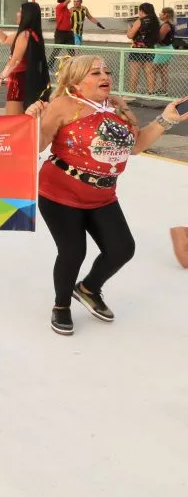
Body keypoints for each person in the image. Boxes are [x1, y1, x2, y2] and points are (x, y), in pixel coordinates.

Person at [26, 54, 187, 335]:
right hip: (60, 192)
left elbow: (135, 146)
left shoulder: (118, 108)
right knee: (73, 251)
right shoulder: (64, 105)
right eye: (94, 73)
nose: (105, 77)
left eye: (107, 71)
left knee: (122, 249)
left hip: (103, 194)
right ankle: (61, 305)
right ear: (75, 80)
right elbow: (38, 146)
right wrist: (32, 121)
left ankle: (88, 288)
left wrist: (165, 119)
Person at [0, 2, 51, 114]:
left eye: (20, 11)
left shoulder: (24, 35)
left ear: (27, 15)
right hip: (29, 80)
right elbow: (5, 39)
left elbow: (16, 60)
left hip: (19, 81)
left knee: (13, 120)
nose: (17, 14)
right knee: (25, 118)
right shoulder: (32, 34)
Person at [126, 2, 159, 95]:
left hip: (137, 49)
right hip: (150, 48)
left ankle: (132, 93)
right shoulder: (155, 21)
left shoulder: (140, 21)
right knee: (150, 72)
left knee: (134, 73)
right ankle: (151, 93)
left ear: (141, 10)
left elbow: (130, 35)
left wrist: (129, 28)